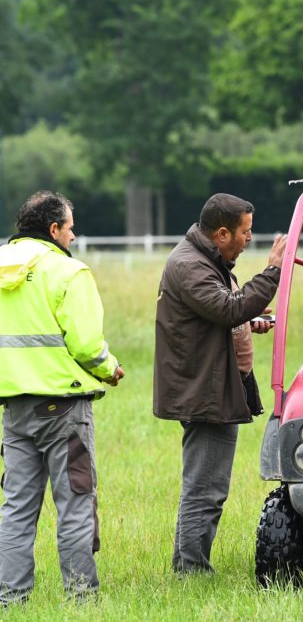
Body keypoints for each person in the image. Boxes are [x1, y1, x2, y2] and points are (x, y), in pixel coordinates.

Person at [0, 191, 125, 604]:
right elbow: (87, 345)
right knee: (74, 504)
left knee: (16, 509)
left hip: (14, 408)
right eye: (70, 227)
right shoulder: (68, 272)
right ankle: (81, 599)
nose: (73, 235)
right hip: (64, 410)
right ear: (53, 229)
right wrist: (110, 369)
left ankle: (10, 598)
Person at [152, 193, 286, 575]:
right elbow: (228, 308)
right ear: (223, 233)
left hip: (211, 385)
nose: (249, 239)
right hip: (204, 392)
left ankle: (188, 564)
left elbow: (223, 314)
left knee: (206, 486)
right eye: (245, 232)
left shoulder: (206, 260)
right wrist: (272, 271)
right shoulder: (189, 265)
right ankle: (192, 571)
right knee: (206, 490)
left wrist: (248, 321)